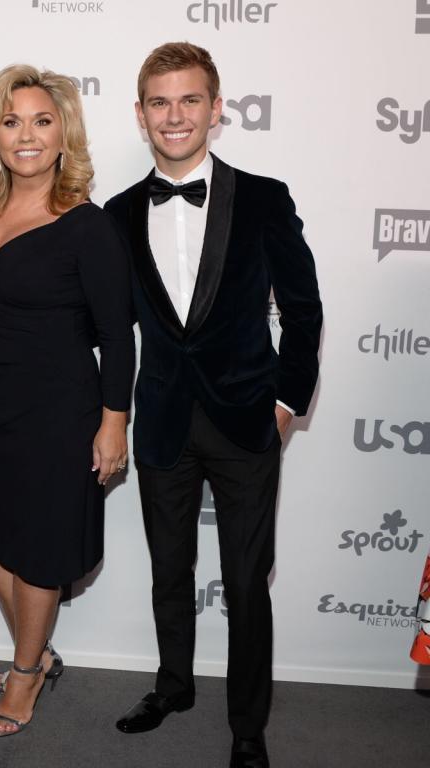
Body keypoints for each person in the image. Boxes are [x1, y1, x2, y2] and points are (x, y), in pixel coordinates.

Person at [104, 42, 323, 768]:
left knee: (244, 582)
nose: (175, 115)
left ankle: (248, 725)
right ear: (140, 115)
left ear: (216, 108)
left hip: (246, 420)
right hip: (163, 420)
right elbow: (101, 324)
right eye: (160, 103)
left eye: (189, 100)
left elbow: (303, 307)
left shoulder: (263, 197)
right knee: (169, 570)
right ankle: (173, 687)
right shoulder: (118, 212)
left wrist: (288, 402)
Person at [0, 65, 134, 737]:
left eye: (42, 121)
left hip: (59, 412)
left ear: (64, 135)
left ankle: (25, 676)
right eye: (13, 120)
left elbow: (117, 334)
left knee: (42, 552)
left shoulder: (88, 226)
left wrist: (115, 424)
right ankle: (40, 650)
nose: (27, 135)